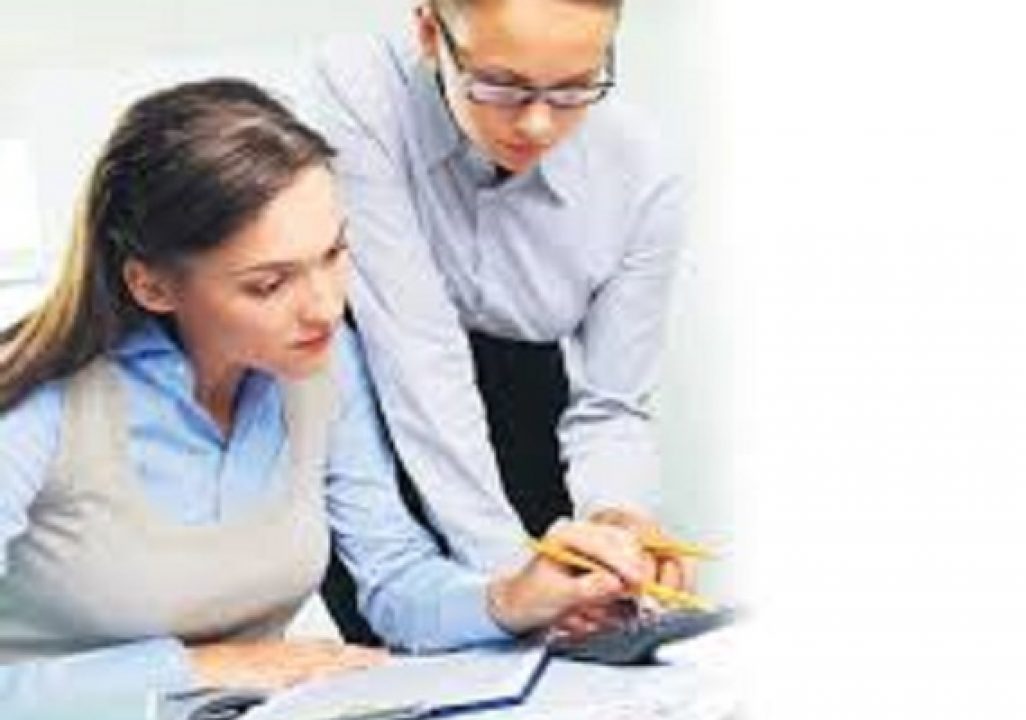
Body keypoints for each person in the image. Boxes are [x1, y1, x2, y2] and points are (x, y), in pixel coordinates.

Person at [0, 78, 649, 711]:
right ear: (152, 286)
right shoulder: (34, 406)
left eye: (334, 253)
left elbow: (392, 580)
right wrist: (193, 667)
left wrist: (513, 598)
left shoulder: (323, 361)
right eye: (268, 284)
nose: (325, 306)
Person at [307, 0, 690, 617]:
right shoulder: (363, 87)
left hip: (531, 410)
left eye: (574, 88)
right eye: (500, 86)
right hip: (383, 404)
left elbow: (612, 404)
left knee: (585, 637)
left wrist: (619, 521)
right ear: (428, 32)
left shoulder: (641, 172)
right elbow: (417, 350)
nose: (537, 125)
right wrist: (511, 585)